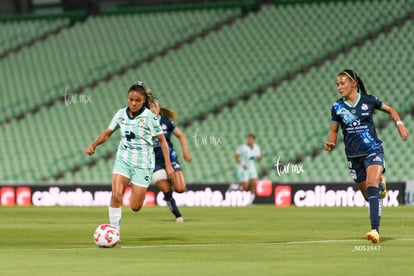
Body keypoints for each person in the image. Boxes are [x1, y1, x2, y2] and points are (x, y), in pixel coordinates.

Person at [324, 69, 409, 243]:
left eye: (342, 83)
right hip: (354, 156)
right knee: (369, 196)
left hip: (373, 151)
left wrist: (399, 124)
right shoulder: (337, 107)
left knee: (371, 185)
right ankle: (381, 184)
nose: (339, 87)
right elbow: (333, 131)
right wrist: (331, 142)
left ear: (353, 83)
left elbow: (390, 110)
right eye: (337, 84)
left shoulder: (369, 101)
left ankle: (374, 230)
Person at [85, 81, 173, 237]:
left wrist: (168, 165)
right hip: (123, 160)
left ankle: (138, 191)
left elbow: (162, 140)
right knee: (116, 195)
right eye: (130, 99)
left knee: (135, 206)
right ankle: (114, 233)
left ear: (144, 101)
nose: (133, 103)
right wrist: (94, 144)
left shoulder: (149, 118)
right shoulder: (120, 114)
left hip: (143, 164)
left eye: (137, 100)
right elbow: (107, 133)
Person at [149, 97, 192, 223]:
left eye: (154, 106)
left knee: (180, 189)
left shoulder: (165, 121)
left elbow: (180, 135)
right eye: (150, 107)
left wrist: (185, 152)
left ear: (158, 109)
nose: (152, 109)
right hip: (155, 162)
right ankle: (178, 215)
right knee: (166, 190)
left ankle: (172, 179)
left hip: (170, 157)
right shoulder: (143, 123)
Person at [234, 134, 263, 205]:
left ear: (253, 140)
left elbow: (258, 159)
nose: (249, 140)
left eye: (250, 139)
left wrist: (261, 156)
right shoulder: (242, 147)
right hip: (244, 168)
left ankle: (250, 201)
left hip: (252, 167)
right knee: (245, 186)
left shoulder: (256, 147)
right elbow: (236, 156)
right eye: (248, 139)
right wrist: (242, 164)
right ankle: (235, 187)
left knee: (254, 184)